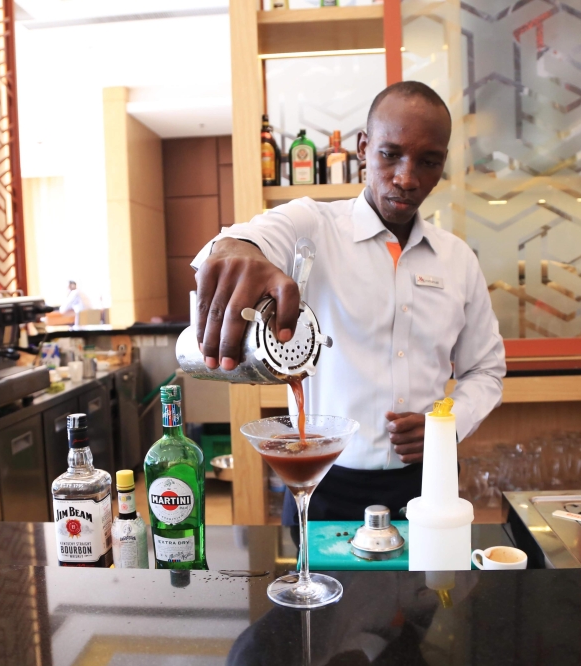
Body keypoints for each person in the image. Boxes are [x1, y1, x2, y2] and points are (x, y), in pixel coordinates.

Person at [191, 81, 506, 524]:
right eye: (390, 154)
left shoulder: (458, 259)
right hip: (322, 482)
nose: (407, 177)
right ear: (363, 147)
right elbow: (241, 240)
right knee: (317, 592)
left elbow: (486, 370)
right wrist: (234, 249)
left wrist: (447, 426)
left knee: (433, 593)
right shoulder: (312, 225)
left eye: (428, 162)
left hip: (428, 483)